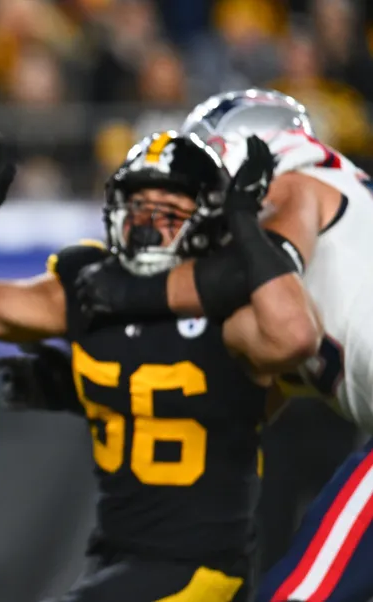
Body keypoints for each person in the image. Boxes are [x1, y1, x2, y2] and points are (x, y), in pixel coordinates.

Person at [0, 130, 321, 601]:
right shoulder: (93, 286)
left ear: (206, 216)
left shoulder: (227, 307)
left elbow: (293, 337)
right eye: (138, 206)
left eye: (170, 209)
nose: (148, 223)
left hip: (201, 566)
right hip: (115, 555)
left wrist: (244, 223)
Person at [65, 89, 373, 602]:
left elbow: (239, 275)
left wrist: (132, 291)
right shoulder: (316, 266)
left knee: (299, 594)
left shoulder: (300, 183)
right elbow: (253, 398)